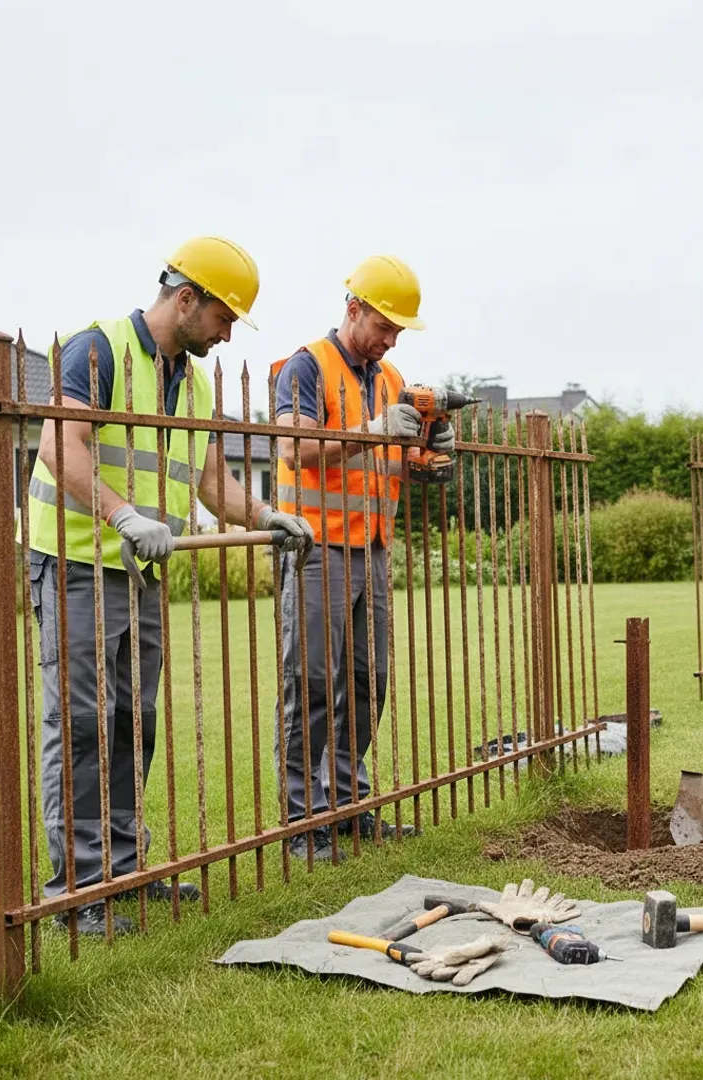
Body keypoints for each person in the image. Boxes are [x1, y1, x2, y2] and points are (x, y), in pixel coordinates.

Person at [27, 236, 313, 934]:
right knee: (85, 722)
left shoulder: (195, 380)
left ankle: (124, 871)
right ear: (186, 298)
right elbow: (57, 444)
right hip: (76, 561)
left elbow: (212, 479)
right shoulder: (96, 351)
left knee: (135, 721)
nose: (227, 331)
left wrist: (266, 513)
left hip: (143, 569)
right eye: (223, 316)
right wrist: (123, 515)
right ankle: (78, 889)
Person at [272, 255, 453, 860]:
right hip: (316, 548)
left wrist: (427, 459)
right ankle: (304, 820)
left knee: (367, 683)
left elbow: (388, 461)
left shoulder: (390, 376)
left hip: (372, 548)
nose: (390, 339)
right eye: (383, 326)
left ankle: (347, 805)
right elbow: (296, 447)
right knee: (313, 682)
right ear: (352, 309)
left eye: (398, 331)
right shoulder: (305, 367)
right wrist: (376, 429)